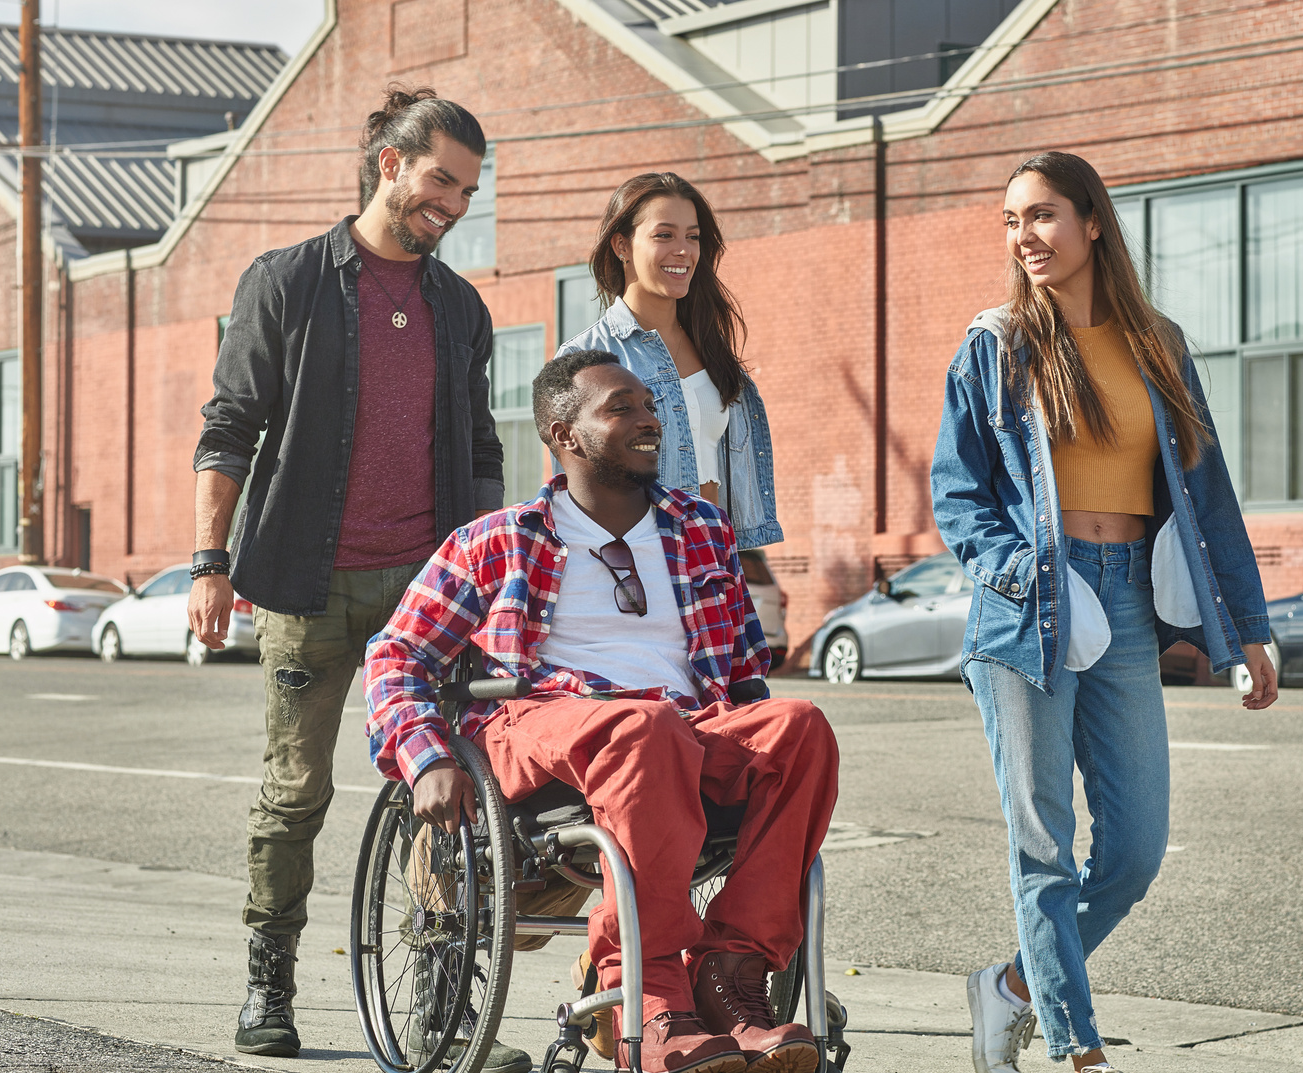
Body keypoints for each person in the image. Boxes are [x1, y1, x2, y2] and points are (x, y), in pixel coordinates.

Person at [365, 350, 837, 1073]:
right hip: (543, 722)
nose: (648, 420)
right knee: (641, 727)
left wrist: (760, 761)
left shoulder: (701, 531)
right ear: (564, 433)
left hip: (681, 729)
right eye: (621, 408)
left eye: (649, 406)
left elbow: (745, 681)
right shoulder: (499, 539)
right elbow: (397, 655)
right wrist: (424, 756)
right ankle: (643, 998)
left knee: (799, 727)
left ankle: (732, 975)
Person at [187, 85, 529, 1071]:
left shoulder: (459, 307)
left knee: (443, 787)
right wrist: (210, 563)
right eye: (440, 182)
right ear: (389, 163)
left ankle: (434, 996)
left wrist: (484, 578)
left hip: (429, 595)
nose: (454, 205)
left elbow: (477, 450)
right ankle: (269, 979)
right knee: (294, 793)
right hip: (307, 583)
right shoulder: (286, 281)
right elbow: (228, 429)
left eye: (467, 190)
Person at [929, 151, 1279, 1073]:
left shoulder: (1156, 341)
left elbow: (1210, 495)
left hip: (1126, 598)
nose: (1024, 237)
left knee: (1133, 848)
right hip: (1025, 610)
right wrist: (1019, 569)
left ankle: (1009, 986)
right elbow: (958, 495)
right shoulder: (996, 341)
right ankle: (1075, 1046)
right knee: (1045, 842)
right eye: (1011, 221)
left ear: (1092, 221)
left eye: (1042, 215)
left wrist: (1249, 624)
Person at [555, 172, 780, 548]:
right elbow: (576, 495)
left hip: (716, 558)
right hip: (643, 563)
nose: (684, 250)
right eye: (664, 235)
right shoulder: (584, 361)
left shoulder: (712, 349)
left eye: (692, 237)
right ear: (622, 245)